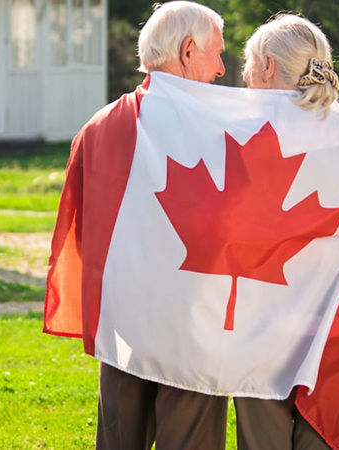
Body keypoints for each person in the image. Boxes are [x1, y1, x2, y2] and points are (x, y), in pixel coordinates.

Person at [43, 2, 229, 450]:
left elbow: (81, 230)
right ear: (188, 50)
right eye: (218, 53)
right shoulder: (220, 128)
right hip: (194, 326)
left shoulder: (98, 126)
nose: (222, 69)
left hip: (122, 322)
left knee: (119, 439)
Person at [231, 14, 339, 450]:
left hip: (262, 315)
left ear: (268, 67)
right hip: (335, 315)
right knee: (321, 434)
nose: (243, 75)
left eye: (248, 64)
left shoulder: (246, 133)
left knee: (261, 435)